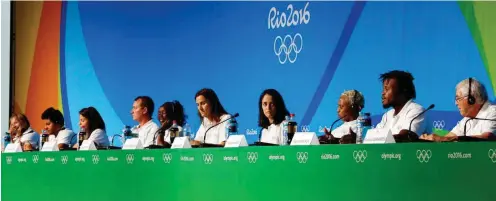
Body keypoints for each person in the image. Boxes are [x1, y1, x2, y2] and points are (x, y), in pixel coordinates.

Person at [420, 78, 496, 141]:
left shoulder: (492, 112)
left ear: (471, 99)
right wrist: (430, 139)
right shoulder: (467, 119)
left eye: (458, 99)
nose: (456, 103)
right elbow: (448, 137)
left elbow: (487, 137)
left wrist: (449, 139)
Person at [375, 70, 427, 138]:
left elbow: (405, 137)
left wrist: (381, 139)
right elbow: (374, 138)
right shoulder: (387, 115)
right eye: (383, 89)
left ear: (403, 90)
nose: (383, 93)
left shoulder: (417, 110)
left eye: (387, 89)